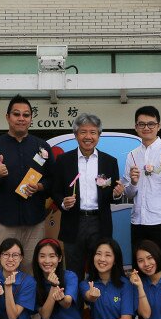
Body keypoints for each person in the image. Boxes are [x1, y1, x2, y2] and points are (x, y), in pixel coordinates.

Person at [0, 96, 54, 276]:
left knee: (31, 267)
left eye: (26, 115)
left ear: (31, 119)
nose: (21, 118)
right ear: (8, 117)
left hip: (34, 220)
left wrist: (39, 187)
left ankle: (27, 304)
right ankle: (3, 303)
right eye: (16, 114)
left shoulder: (42, 147)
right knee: (5, 268)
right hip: (5, 219)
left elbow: (52, 180)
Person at [52, 114, 124, 279]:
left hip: (100, 222)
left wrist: (117, 194)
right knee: (73, 271)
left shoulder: (109, 161)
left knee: (100, 268)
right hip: (73, 221)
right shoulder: (63, 160)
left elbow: (113, 194)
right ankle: (75, 303)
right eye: (83, 132)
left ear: (99, 135)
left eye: (93, 132)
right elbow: (55, 191)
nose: (88, 137)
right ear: (76, 135)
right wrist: (63, 203)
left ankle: (97, 303)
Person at [124, 105, 161, 268]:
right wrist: (133, 183)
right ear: (136, 127)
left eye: (151, 124)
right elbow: (129, 193)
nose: (146, 128)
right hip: (138, 222)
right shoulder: (132, 155)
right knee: (141, 269)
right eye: (141, 124)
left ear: (158, 126)